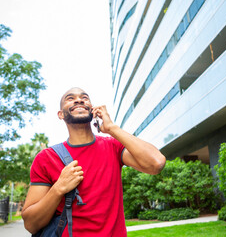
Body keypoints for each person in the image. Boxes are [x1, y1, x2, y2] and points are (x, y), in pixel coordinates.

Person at [22, 87, 166, 236]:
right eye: (70, 98)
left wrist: (111, 128)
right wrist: (59, 188)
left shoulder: (113, 146)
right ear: (60, 115)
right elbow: (31, 224)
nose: (79, 100)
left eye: (84, 97)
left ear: (93, 109)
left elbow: (156, 163)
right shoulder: (46, 158)